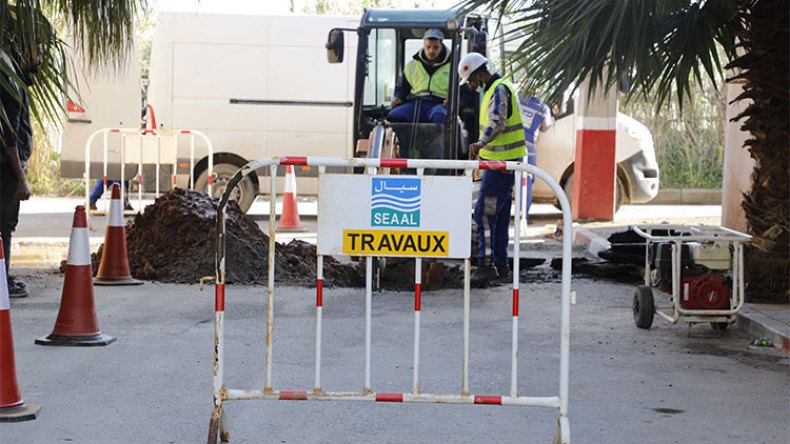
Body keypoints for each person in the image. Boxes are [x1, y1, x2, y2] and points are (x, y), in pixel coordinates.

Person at [458, 53, 526, 284]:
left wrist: (479, 144)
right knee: (499, 212)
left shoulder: (498, 89)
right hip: (501, 162)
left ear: (478, 74)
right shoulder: (496, 88)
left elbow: (497, 122)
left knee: (484, 213)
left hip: (501, 163)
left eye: (471, 80)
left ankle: (486, 265)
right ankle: (500, 264)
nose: (471, 85)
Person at [0, 50, 36, 298]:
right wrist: (21, 180)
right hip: (6, 168)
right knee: (5, 225)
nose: (39, 58)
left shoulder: (15, 83)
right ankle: (3, 279)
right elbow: (8, 138)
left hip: (8, 166)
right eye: (36, 52)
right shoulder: (11, 86)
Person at [387, 28, 451, 125]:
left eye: (435, 47)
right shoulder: (412, 66)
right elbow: (402, 88)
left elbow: (464, 93)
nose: (431, 51)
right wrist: (398, 97)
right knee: (394, 116)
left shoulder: (453, 66)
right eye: (428, 47)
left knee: (440, 116)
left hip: (439, 104)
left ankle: (436, 140)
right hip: (415, 103)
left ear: (441, 45)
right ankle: (402, 141)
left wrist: (452, 101)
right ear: (423, 44)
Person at [519, 95, 554, 218]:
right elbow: (546, 126)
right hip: (529, 148)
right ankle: (523, 215)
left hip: (513, 145)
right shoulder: (543, 108)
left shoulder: (519, 99)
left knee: (511, 179)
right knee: (526, 180)